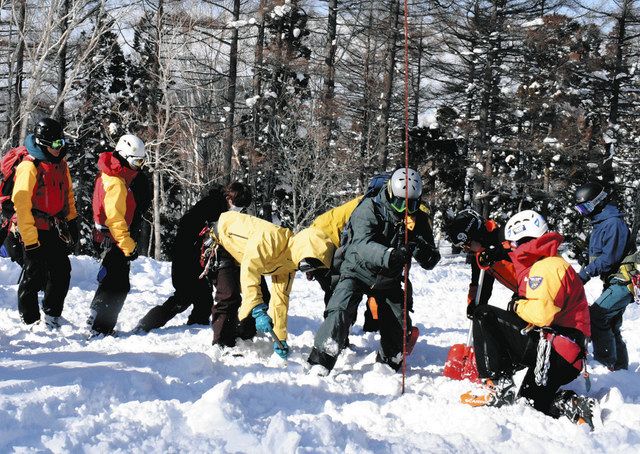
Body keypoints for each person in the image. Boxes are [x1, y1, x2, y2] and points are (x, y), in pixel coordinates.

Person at [461, 210, 596, 429]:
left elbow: (541, 315)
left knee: (485, 315)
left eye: (513, 244)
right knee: (530, 401)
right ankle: (569, 404)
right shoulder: (546, 263)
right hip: (563, 353)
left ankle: (496, 384)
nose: (511, 248)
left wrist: (517, 305)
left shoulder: (548, 267)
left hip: (556, 351)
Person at [307, 168, 440, 375]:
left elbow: (429, 254)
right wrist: (390, 254)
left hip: (388, 279)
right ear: (389, 193)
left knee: (397, 318)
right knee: (340, 309)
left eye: (411, 204)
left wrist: (426, 254)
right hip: (357, 270)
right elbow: (362, 244)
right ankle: (321, 360)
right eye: (399, 203)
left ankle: (390, 359)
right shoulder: (369, 208)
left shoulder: (418, 218)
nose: (404, 208)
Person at [210, 211, 335, 358]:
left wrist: (280, 338)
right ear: (302, 249)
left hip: (243, 256)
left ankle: (242, 337)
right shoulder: (272, 238)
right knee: (229, 294)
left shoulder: (288, 265)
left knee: (264, 297)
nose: (306, 270)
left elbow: (280, 300)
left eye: (311, 267)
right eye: (307, 263)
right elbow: (250, 268)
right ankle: (221, 344)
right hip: (223, 240)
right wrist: (255, 305)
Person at [10, 117, 78, 328]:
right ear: (43, 144)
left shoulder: (61, 164)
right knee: (33, 274)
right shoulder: (29, 167)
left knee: (61, 271)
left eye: (62, 142)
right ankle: (30, 320)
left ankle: (52, 315)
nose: (61, 147)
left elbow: (68, 195)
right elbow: (21, 206)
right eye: (57, 144)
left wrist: (72, 221)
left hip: (54, 227)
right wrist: (30, 241)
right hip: (32, 227)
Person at [87, 134, 150, 337]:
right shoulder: (116, 183)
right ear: (124, 156)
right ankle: (101, 327)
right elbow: (115, 219)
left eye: (142, 161)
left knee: (111, 278)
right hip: (115, 237)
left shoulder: (111, 174)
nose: (139, 166)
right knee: (119, 285)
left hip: (108, 236)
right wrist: (128, 245)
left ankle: (96, 313)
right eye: (136, 161)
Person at [574, 182, 635, 370]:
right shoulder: (601, 223)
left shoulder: (613, 223)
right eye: (580, 209)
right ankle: (620, 369)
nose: (584, 213)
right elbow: (600, 254)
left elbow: (608, 259)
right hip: (612, 281)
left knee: (597, 317)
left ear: (598, 202)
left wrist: (585, 274)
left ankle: (605, 363)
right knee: (611, 324)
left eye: (586, 207)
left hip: (623, 282)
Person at [443, 209, 517, 318]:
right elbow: (479, 285)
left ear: (475, 235)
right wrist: (474, 304)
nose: (466, 249)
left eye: (467, 244)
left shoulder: (506, 237)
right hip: (523, 292)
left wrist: (498, 253)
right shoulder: (480, 255)